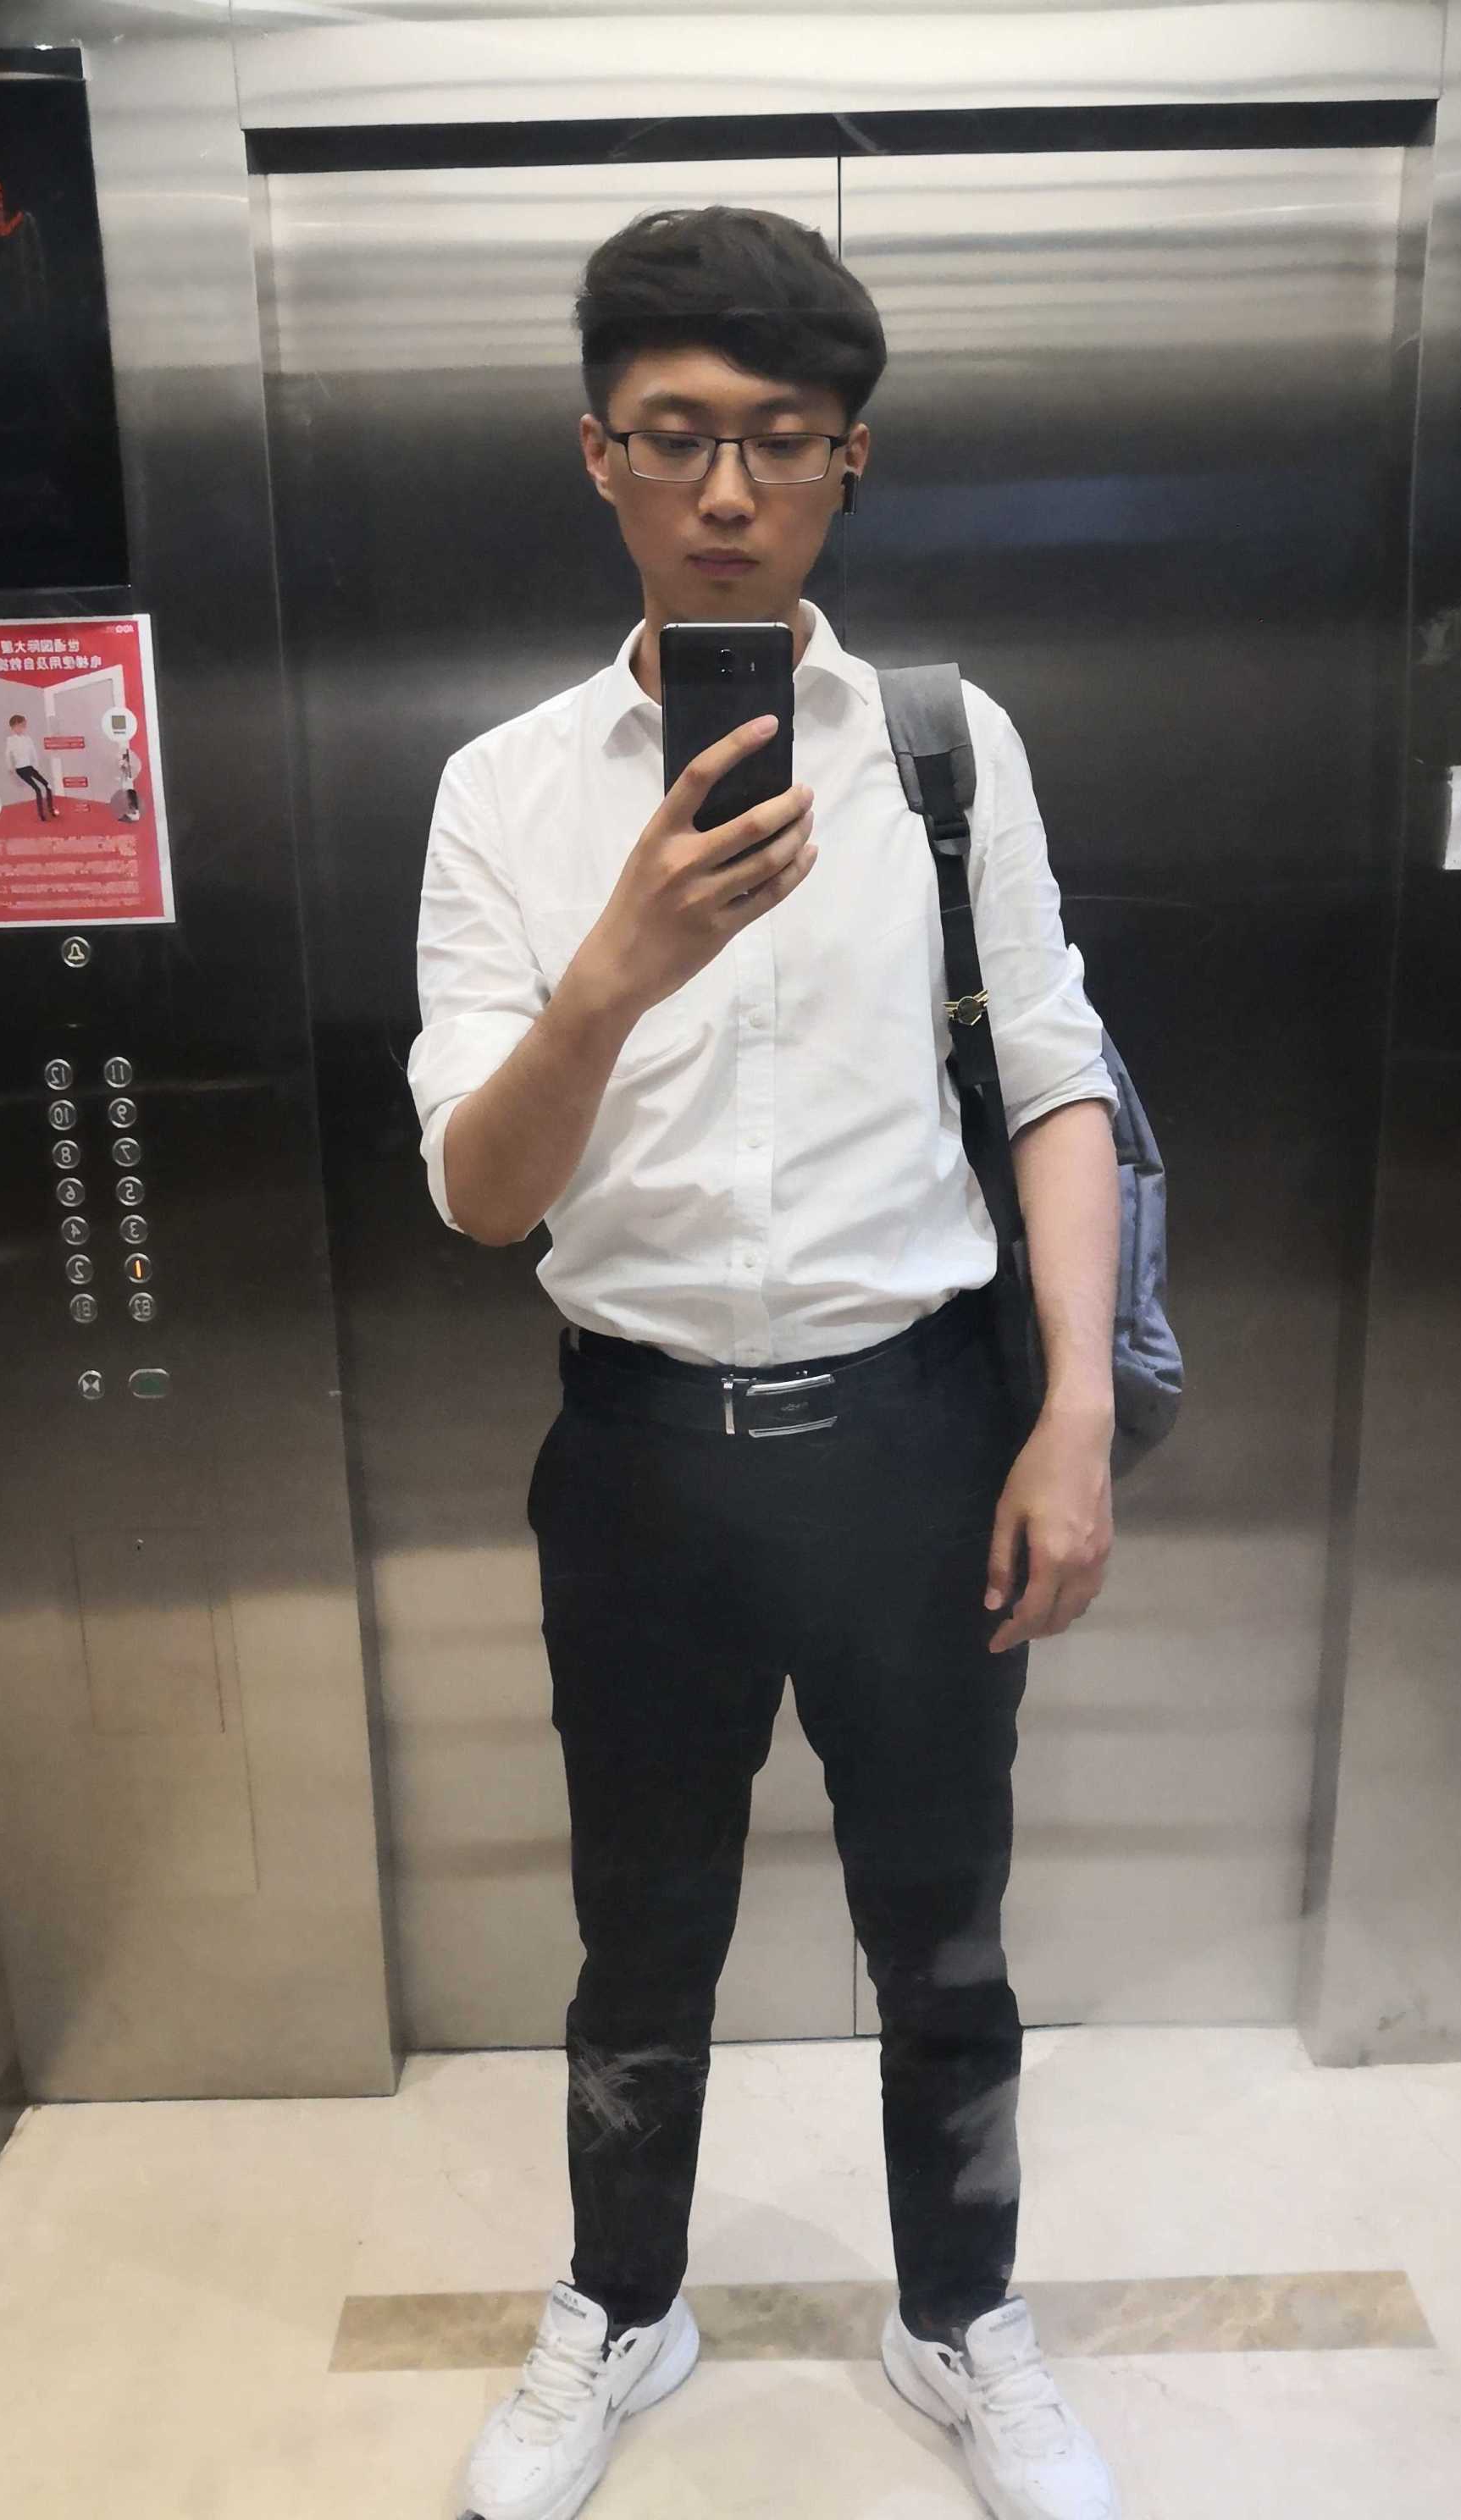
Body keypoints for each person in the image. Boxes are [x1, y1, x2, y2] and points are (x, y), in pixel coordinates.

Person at [410, 205, 1124, 2520]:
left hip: (917, 1434)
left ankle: (961, 2316)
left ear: (846, 463)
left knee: (944, 1923)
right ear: (596, 453)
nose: (726, 488)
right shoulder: (507, 790)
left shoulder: (945, 749)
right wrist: (612, 973)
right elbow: (478, 1194)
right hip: (635, 1448)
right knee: (641, 1930)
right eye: (676, 435)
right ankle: (624, 2306)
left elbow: (1054, 1080)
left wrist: (1071, 1416)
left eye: (781, 439)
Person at [3, 714, 58, 821]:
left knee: (48, 785)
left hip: (30, 767)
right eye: (18, 726)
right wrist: (10, 768)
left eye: (23, 726)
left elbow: (33, 753)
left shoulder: (28, 739)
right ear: (13, 727)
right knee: (38, 789)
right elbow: (8, 755)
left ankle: (51, 809)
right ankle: (41, 814)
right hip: (21, 769)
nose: (21, 728)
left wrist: (35, 767)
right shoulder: (10, 740)